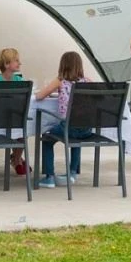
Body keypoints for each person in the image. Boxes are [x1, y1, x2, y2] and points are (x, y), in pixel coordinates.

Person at [34, 51, 93, 189]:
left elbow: (40, 96)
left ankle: (49, 177)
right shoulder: (87, 81)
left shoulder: (60, 81)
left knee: (47, 138)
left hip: (69, 128)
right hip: (86, 129)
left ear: (63, 65)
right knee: (76, 140)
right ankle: (72, 173)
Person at [0, 48, 29, 175]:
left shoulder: (19, 81)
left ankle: (16, 159)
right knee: (20, 126)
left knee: (22, 127)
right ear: (7, 64)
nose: (20, 63)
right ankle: (17, 160)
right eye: (16, 60)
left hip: (13, 119)